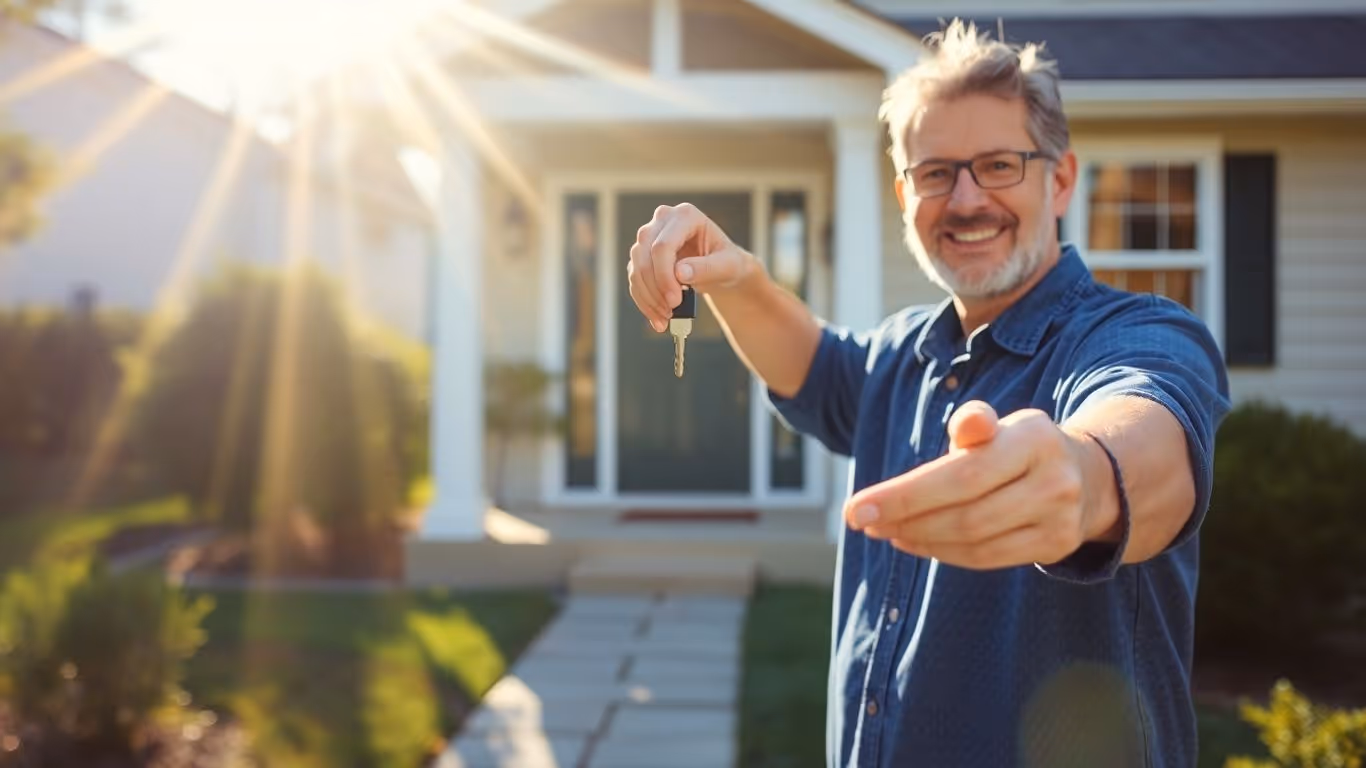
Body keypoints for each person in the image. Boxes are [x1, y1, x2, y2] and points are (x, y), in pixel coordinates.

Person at [625, 18, 1231, 768]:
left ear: (1062, 178)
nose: (967, 199)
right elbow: (810, 360)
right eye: (937, 172)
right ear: (903, 193)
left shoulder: (1136, 333)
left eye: (1000, 165)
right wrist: (739, 276)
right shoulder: (902, 355)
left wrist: (1080, 479)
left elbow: (1148, 430)